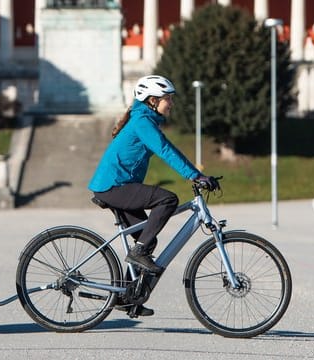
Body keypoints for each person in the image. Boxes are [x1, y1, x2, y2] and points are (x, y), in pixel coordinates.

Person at [89, 74, 218, 278]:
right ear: (153, 100)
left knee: (147, 239)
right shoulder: (142, 122)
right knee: (167, 200)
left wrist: (196, 174)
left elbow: (169, 147)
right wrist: (195, 176)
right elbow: (165, 150)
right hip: (114, 186)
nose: (171, 104)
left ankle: (127, 297)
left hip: (117, 186)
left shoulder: (145, 120)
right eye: (169, 98)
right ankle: (138, 252)